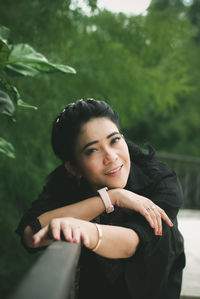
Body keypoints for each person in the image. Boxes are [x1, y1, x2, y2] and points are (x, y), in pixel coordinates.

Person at [16, 98, 185, 299]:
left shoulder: (159, 180)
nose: (111, 156)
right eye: (92, 150)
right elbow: (31, 235)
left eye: (114, 140)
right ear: (73, 167)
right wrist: (110, 198)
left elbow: (134, 242)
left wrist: (82, 228)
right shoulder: (65, 185)